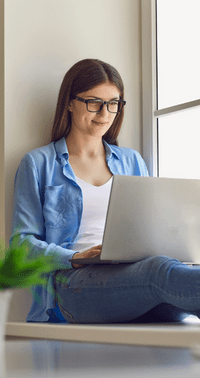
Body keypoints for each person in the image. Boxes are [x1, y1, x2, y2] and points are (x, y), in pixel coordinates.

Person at [10, 59, 200, 324]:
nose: (104, 113)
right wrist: (75, 257)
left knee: (174, 286)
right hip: (72, 284)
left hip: (135, 276)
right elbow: (21, 244)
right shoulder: (38, 164)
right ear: (69, 102)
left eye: (113, 103)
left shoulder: (131, 161)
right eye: (94, 102)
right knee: (160, 273)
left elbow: (152, 230)